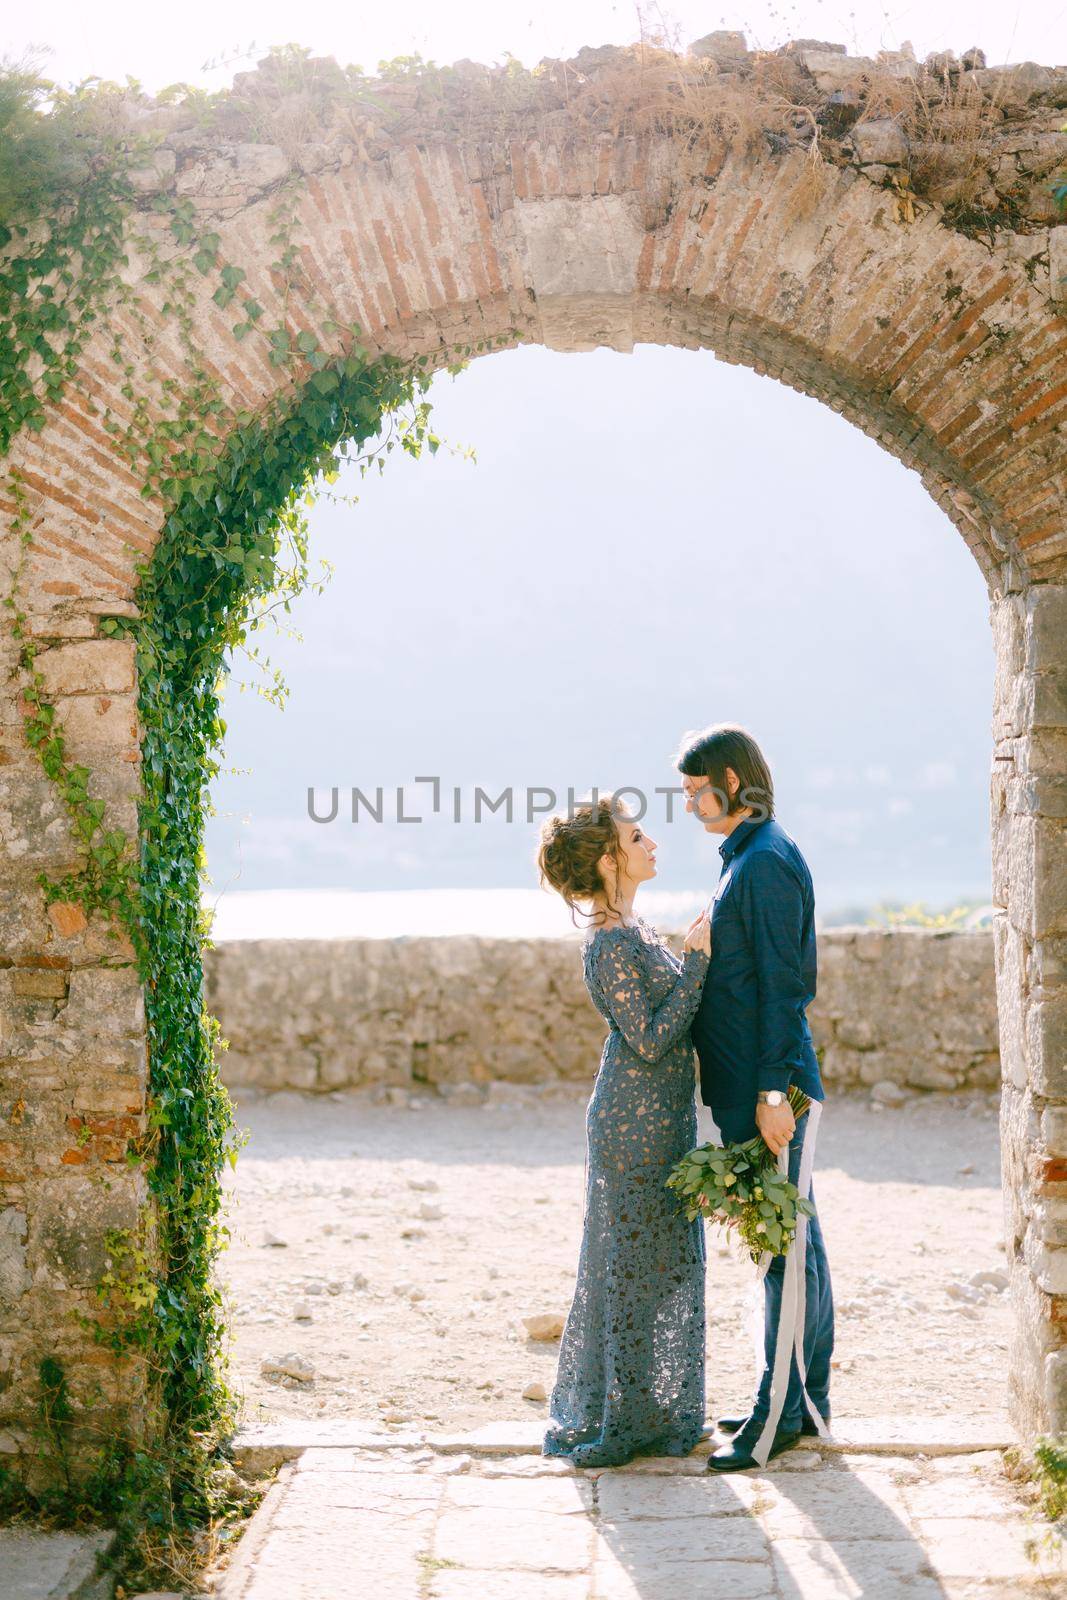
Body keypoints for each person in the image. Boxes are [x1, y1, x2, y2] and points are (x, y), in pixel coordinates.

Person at [535, 792, 712, 1467]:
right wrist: (695, 963)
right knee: (630, 1270)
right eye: (638, 839)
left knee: (660, 1267)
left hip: (662, 1117)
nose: (652, 845)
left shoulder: (635, 930)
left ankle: (653, 1411)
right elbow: (647, 1038)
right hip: (630, 1121)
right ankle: (623, 1419)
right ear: (609, 859)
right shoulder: (608, 942)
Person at [676, 723, 835, 1473]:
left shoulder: (764, 862)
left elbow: (785, 988)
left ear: (731, 782)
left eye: (694, 791)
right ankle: (800, 1402)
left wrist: (773, 1091)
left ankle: (773, 1423)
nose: (687, 805)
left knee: (782, 1252)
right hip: (749, 1086)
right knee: (799, 1245)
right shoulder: (743, 859)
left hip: (774, 1091)